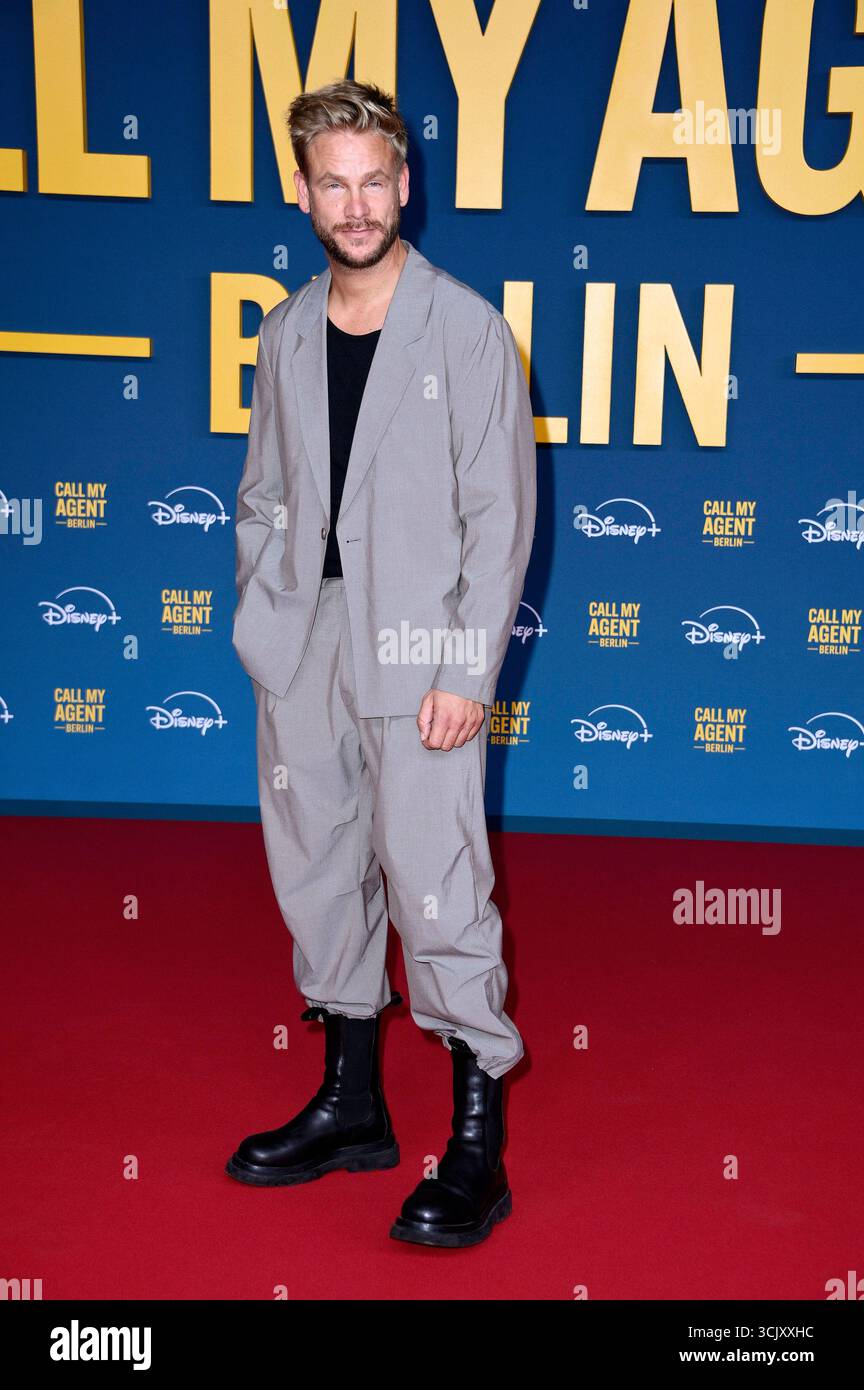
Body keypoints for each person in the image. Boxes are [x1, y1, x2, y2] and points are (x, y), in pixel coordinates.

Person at [225, 78, 536, 1248]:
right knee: (318, 867)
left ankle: (476, 1147)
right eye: (332, 183)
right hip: (306, 645)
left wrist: (465, 665)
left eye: (375, 180)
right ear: (302, 191)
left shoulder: (464, 326)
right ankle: (353, 1106)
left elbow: (500, 513)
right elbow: (264, 492)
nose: (355, 205)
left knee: (435, 875)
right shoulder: (288, 328)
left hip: (421, 654)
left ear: (406, 184)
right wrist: (266, 616)